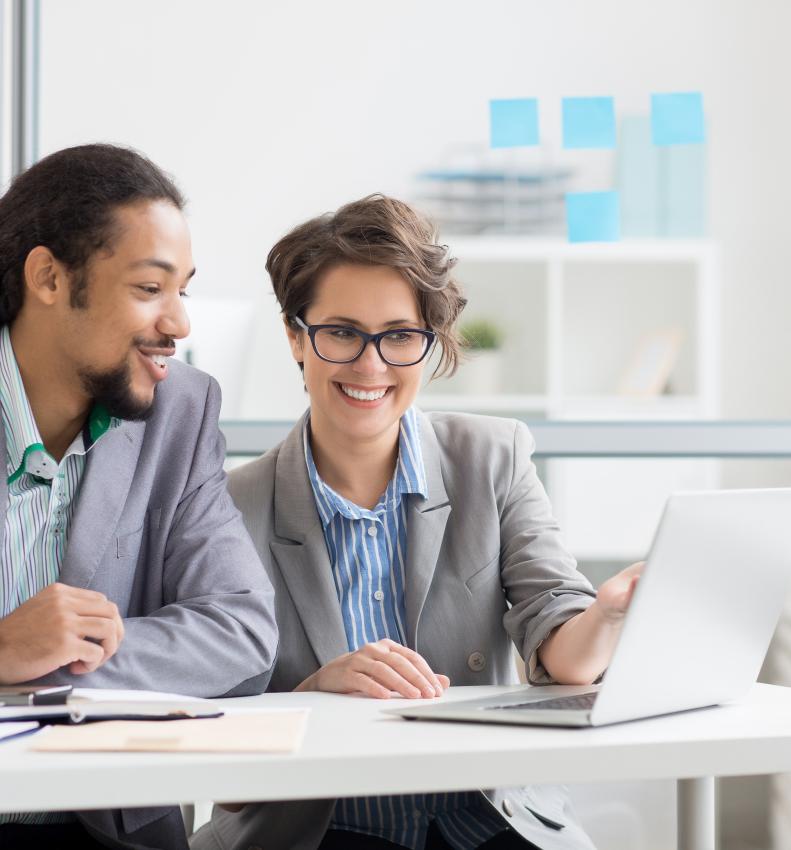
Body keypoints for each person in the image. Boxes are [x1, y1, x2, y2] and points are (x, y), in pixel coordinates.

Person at [192, 195, 641, 850]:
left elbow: (562, 645)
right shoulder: (230, 508)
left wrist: (604, 616)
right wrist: (315, 696)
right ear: (296, 335)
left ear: (430, 344)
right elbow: (213, 750)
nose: (371, 365)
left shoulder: (494, 459)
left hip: (482, 820)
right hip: (317, 830)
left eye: (400, 335)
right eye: (342, 332)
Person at [0, 144, 278, 850]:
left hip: (112, 826)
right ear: (49, 278)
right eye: (150, 289)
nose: (180, 323)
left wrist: (59, 666)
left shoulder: (180, 412)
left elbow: (242, 632)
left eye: (183, 288)